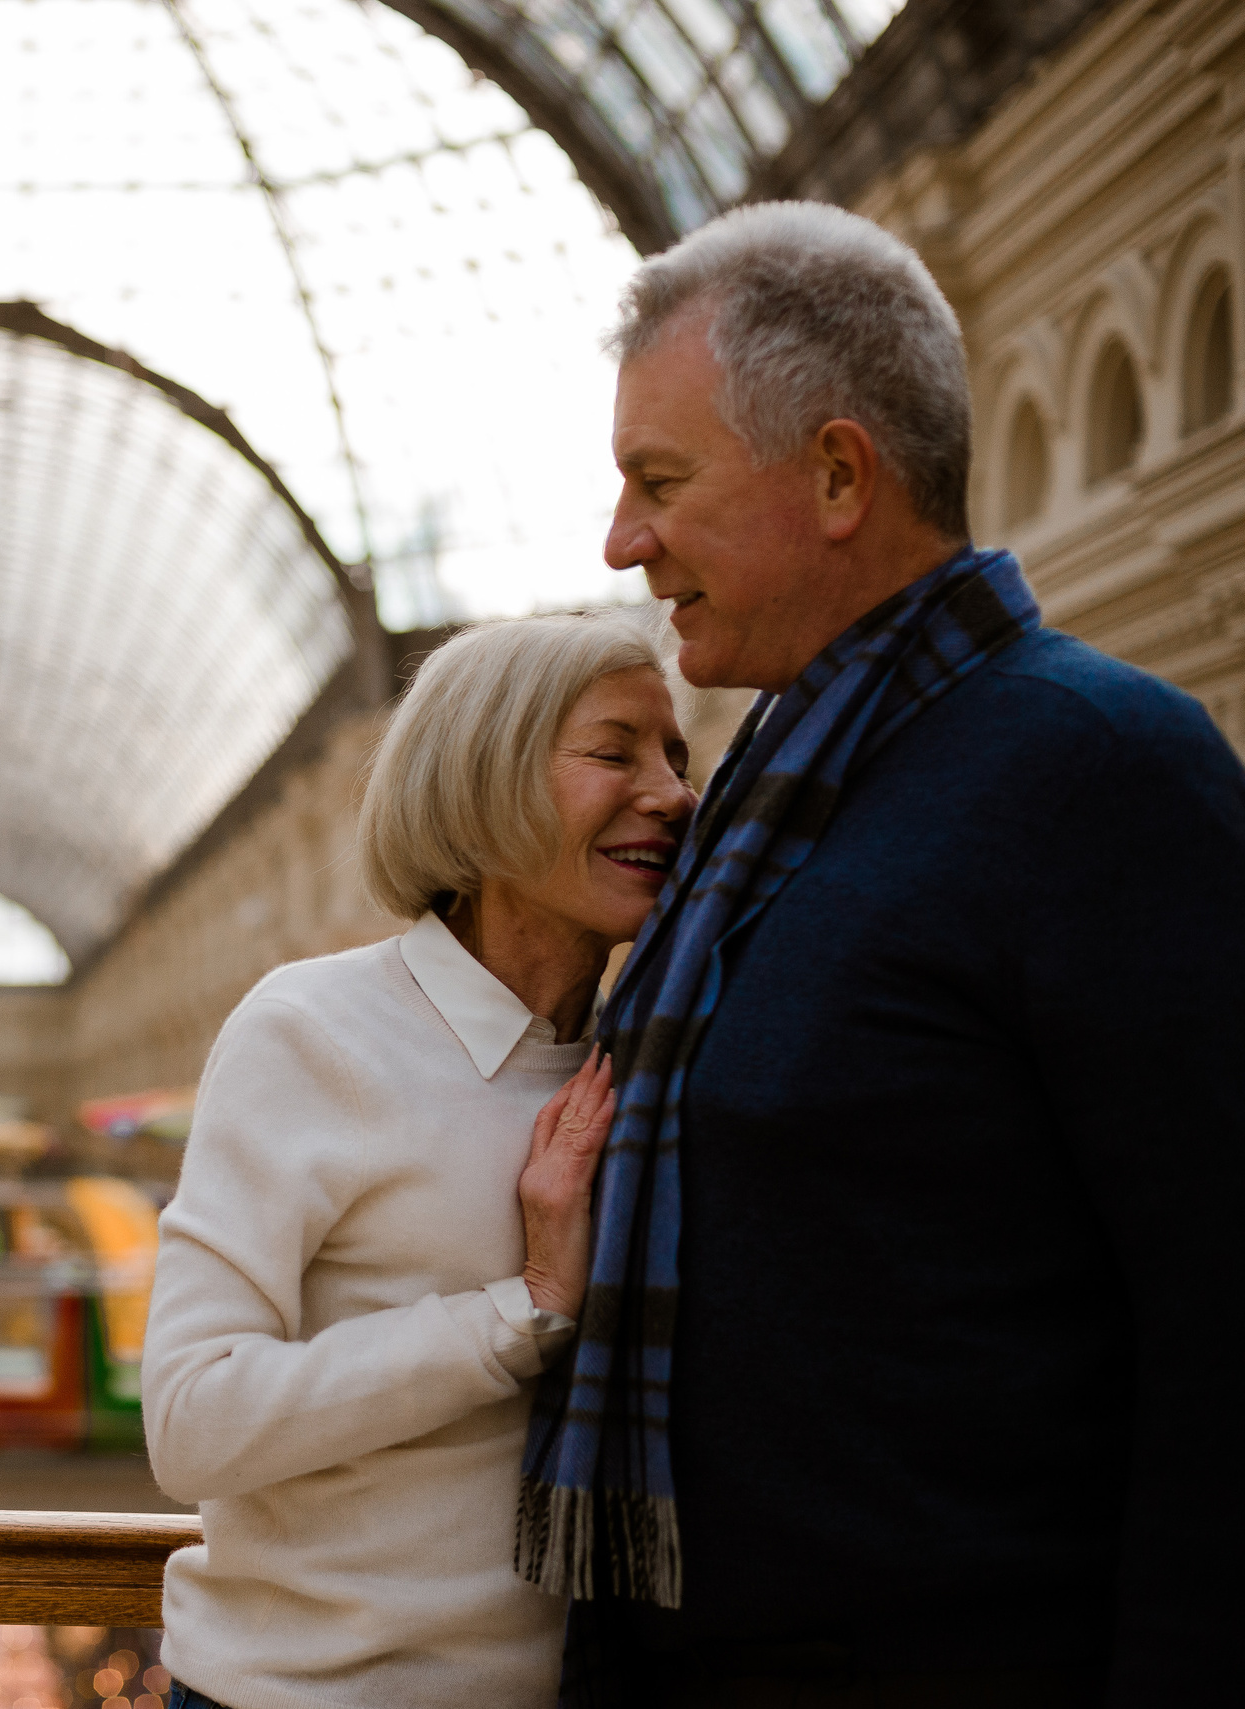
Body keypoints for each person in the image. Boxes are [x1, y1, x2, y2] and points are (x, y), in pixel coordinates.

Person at [519, 200, 1245, 1706]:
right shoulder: (759, 805)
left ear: (839, 472)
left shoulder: (1100, 771)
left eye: (660, 482)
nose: (622, 539)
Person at [143, 611, 697, 1709]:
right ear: (485, 778)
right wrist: (523, 1309)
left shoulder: (658, 1054)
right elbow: (191, 1421)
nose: (673, 792)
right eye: (614, 749)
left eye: (677, 754)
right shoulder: (311, 1029)